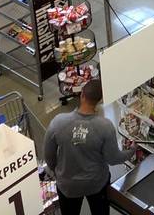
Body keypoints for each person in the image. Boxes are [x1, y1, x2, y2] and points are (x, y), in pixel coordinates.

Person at [44, 80, 134, 215]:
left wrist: (58, 171)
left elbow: (48, 155)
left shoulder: (58, 122)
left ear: (82, 96)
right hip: (96, 183)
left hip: (68, 185)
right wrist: (132, 150)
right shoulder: (105, 126)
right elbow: (113, 159)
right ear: (99, 101)